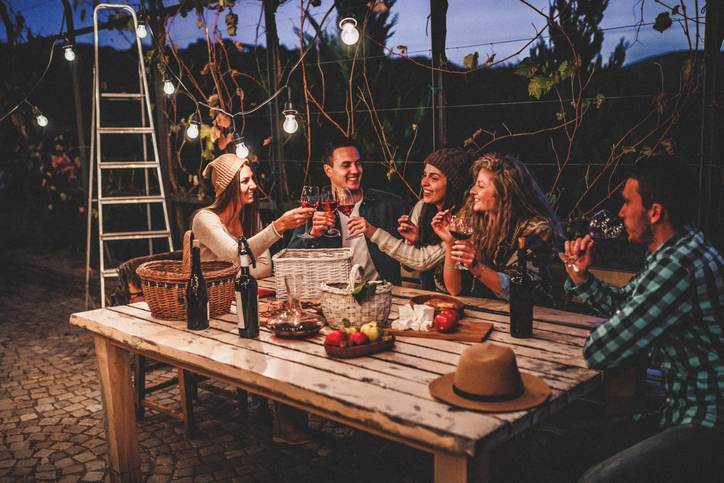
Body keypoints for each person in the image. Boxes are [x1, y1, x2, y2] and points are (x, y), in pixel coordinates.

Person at [562, 155, 723, 482]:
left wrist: (613, 328)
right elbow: (624, 302)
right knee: (566, 442)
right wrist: (581, 275)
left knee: (594, 476)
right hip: (679, 409)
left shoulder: (677, 267)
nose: (620, 213)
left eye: (626, 203)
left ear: (655, 212)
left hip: (705, 422)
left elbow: (600, 350)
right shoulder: (681, 248)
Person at [192, 153, 315, 445]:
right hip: (212, 312)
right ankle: (284, 424)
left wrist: (245, 261)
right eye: (245, 181)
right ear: (227, 187)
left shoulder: (248, 217)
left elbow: (263, 267)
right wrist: (278, 228)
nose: (253, 186)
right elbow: (238, 256)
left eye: (252, 179)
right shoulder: (204, 219)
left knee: (293, 330)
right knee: (277, 343)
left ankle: (290, 414)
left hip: (242, 303)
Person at [431, 153, 562, 305]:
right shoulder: (472, 221)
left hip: (527, 317)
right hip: (483, 313)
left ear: (504, 193)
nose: (472, 190)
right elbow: (455, 290)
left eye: (480, 186)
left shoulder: (534, 230)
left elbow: (522, 289)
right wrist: (450, 242)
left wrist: (477, 267)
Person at [288, 137, 407, 285]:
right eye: (346, 165)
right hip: (332, 296)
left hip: (381, 295)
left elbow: (408, 262)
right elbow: (291, 258)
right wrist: (313, 235)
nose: (355, 170)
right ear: (328, 170)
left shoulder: (390, 204)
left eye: (358, 163)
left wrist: (413, 242)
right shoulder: (315, 209)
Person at [362, 148, 473, 292]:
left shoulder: (463, 220)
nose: (424, 183)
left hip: (467, 301)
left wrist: (374, 233)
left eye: (434, 178)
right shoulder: (422, 208)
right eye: (424, 175)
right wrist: (415, 241)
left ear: (453, 185)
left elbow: (422, 261)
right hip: (428, 296)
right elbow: (409, 266)